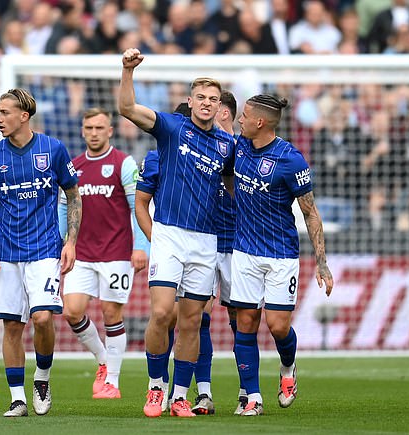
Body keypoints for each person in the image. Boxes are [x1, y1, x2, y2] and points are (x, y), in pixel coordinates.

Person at [119, 47, 235, 418]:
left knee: (192, 321)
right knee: (163, 313)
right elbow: (127, 108)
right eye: (200, 97)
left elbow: (235, 186)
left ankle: (180, 395)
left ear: (220, 108)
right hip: (169, 233)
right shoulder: (171, 127)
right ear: (190, 100)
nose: (206, 103)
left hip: (206, 241)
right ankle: (156, 387)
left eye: (213, 100)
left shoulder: (226, 145)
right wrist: (127, 72)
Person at [0, 88, 81, 417]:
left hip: (45, 248)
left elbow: (74, 196)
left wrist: (71, 242)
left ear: (24, 116)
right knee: (12, 327)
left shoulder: (53, 149)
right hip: (6, 251)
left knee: (43, 318)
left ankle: (43, 377)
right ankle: (17, 398)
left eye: (4, 112)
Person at [228, 94, 333, 416]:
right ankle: (253, 397)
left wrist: (322, 263)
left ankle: (288, 368)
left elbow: (311, 212)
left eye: (244, 116)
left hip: (281, 254)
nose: (239, 120)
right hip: (244, 251)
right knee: (245, 323)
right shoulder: (238, 147)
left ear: (260, 122)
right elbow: (228, 177)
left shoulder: (291, 159)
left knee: (277, 326)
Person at [57, 107, 148, 400]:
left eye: (100, 128)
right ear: (82, 131)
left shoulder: (124, 163)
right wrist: (66, 241)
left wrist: (141, 247)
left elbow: (138, 207)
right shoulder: (74, 166)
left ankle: (112, 381)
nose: (94, 133)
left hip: (117, 252)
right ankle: (102, 359)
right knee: (71, 311)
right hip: (81, 252)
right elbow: (63, 207)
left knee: (111, 314)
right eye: (89, 128)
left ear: (110, 131)